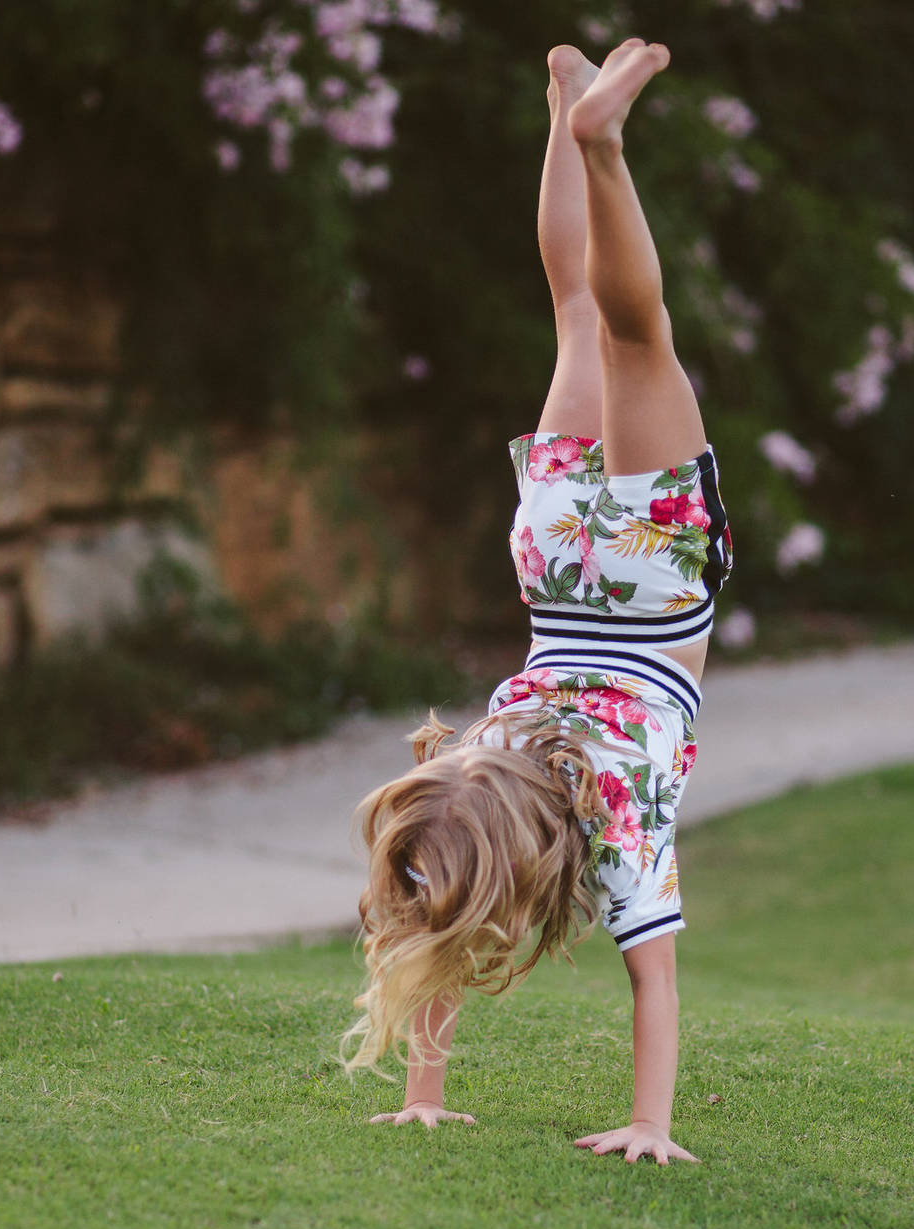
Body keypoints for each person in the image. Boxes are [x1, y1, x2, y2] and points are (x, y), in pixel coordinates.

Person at [341, 38, 733, 1168]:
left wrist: (651, 1124)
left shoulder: (608, 816)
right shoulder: (480, 758)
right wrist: (421, 1093)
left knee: (619, 329)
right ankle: (570, 119)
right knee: (589, 315)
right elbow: (443, 895)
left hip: (654, 588)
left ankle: (596, 141)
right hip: (559, 570)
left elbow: (647, 976)